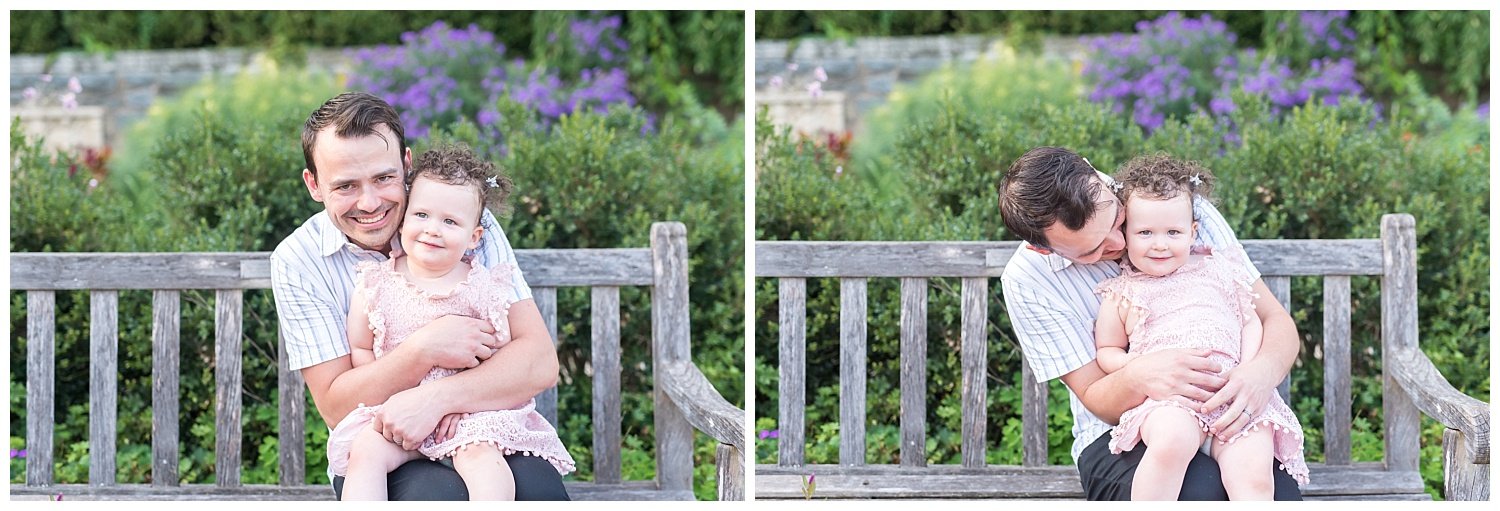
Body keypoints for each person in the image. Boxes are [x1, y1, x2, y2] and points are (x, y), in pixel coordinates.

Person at [270, 91, 569, 500]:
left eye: (383, 178)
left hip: (480, 423)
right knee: (437, 497)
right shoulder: (298, 260)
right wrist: (424, 349)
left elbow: (537, 362)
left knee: (537, 491)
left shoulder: (459, 219)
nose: (370, 202)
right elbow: (338, 406)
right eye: (345, 185)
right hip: (386, 439)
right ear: (314, 185)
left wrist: (439, 398)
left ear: (407, 165)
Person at [996, 147, 1303, 500]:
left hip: (1222, 403)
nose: (1117, 242)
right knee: (1200, 493)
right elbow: (1096, 396)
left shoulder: (1172, 203)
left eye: (1115, 220)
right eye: (1090, 251)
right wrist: (1138, 374)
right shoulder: (1027, 281)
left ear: (1094, 173)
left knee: (1272, 490)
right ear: (1043, 249)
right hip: (1116, 434)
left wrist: (1260, 373)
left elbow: (1272, 319)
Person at [329, 145, 576, 500]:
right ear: (404, 219)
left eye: (450, 222)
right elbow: (362, 347)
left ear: (474, 236)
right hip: (399, 414)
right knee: (366, 451)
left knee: (483, 459)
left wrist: (456, 403)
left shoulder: (483, 287)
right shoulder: (376, 284)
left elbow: (504, 357)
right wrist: (393, 405)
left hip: (464, 419)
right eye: (422, 215)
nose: (433, 230)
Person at [1092, 157, 1308, 500]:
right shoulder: (1124, 292)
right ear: (1126, 235)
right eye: (1145, 232)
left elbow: (1250, 321)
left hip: (1233, 397)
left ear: (1193, 232)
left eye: (1173, 233)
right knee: (1170, 443)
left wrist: (1248, 369)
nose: (1160, 244)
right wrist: (1136, 367)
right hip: (1171, 401)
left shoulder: (1219, 269)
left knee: (1254, 474)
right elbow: (1108, 351)